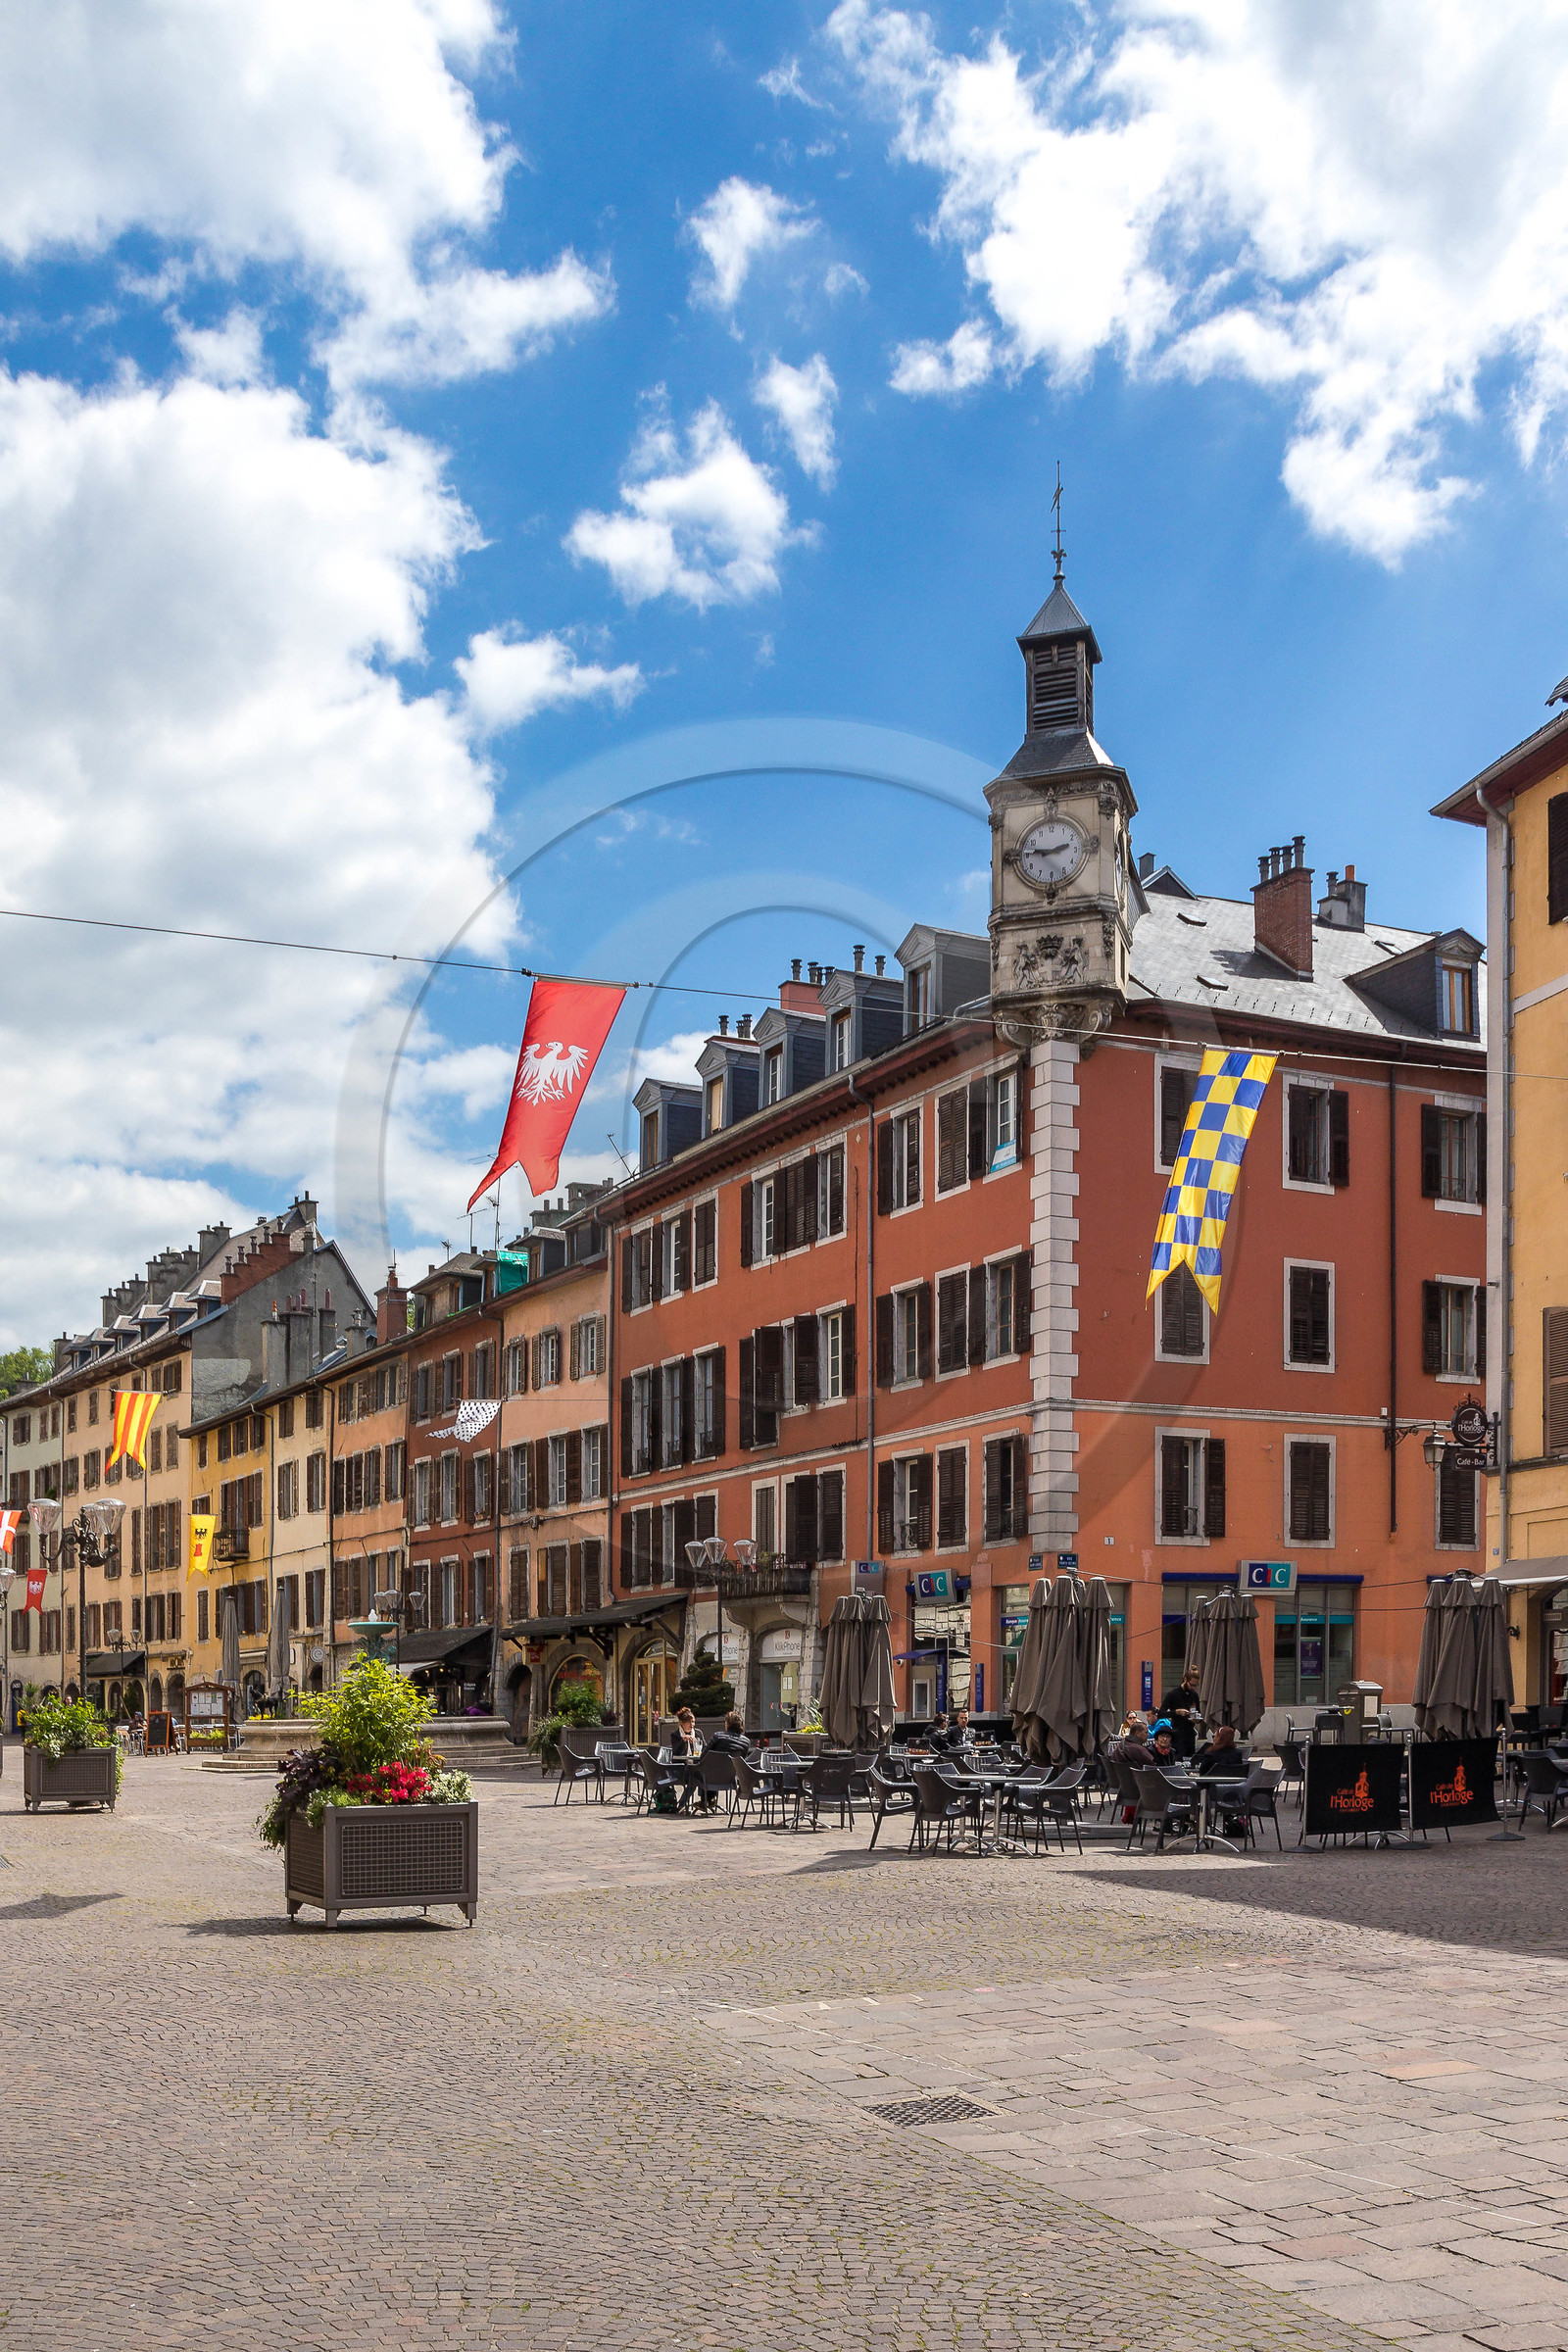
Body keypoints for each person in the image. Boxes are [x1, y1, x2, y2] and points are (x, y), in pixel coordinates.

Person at [1160, 1668, 1204, 1759]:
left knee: (1191, 1760)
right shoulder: (1172, 1694)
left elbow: (1198, 1712)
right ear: (1185, 1680)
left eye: (1196, 1685)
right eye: (1191, 1685)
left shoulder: (1194, 1695)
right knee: (1179, 1759)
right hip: (1177, 1734)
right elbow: (1161, 1714)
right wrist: (1176, 1712)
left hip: (1190, 1734)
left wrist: (1197, 1719)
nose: (1193, 1688)